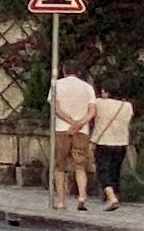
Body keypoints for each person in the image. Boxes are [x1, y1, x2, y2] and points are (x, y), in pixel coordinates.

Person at [49, 66, 98, 207]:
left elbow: (56, 108)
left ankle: (61, 201)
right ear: (79, 72)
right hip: (82, 131)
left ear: (64, 71)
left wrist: (70, 122)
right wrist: (79, 123)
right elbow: (92, 111)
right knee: (80, 165)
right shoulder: (87, 87)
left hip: (61, 129)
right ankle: (82, 196)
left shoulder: (56, 85)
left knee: (60, 166)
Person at [100, 92, 132, 213]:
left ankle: (111, 197)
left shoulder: (100, 103)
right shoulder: (127, 105)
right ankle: (116, 195)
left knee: (103, 170)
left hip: (104, 141)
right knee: (115, 170)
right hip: (121, 142)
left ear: (106, 92)